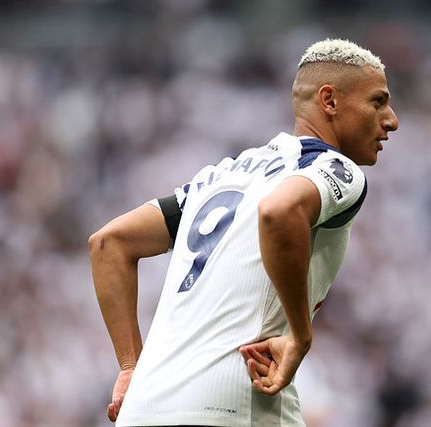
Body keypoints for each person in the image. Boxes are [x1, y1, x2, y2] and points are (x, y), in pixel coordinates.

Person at [89, 38, 399, 427]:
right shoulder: (333, 166)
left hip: (143, 408)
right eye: (377, 102)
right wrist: (301, 337)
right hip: (232, 403)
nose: (391, 119)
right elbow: (279, 212)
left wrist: (129, 366)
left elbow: (109, 243)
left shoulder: (221, 176)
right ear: (330, 101)